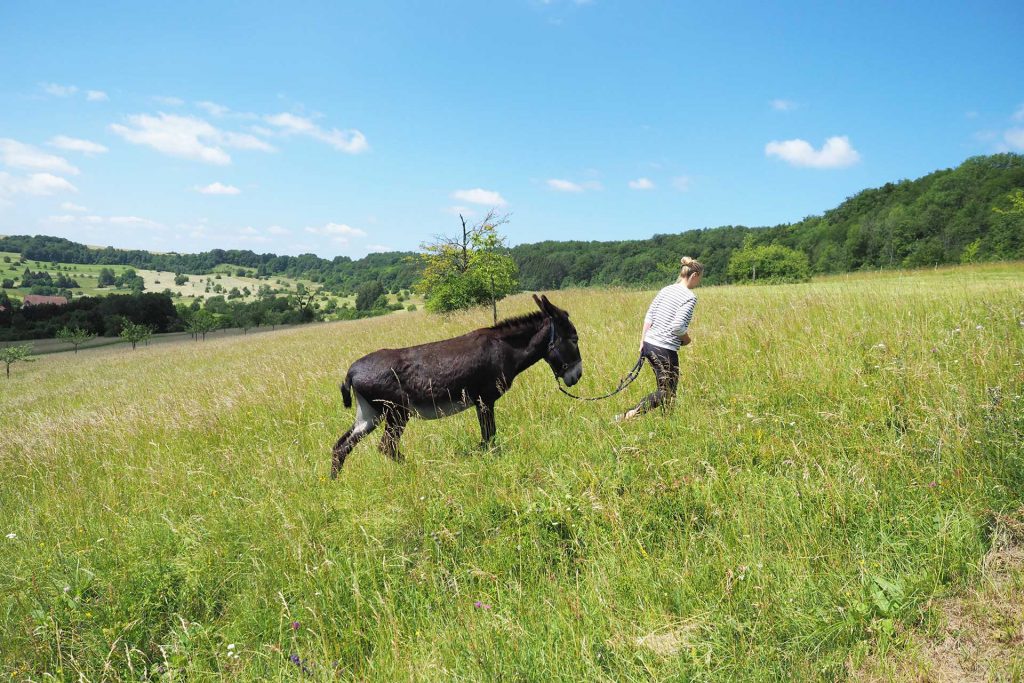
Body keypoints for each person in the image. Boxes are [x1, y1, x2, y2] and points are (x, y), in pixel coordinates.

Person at [617, 256, 703, 421]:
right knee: (666, 391)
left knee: (666, 389)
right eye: (699, 279)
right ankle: (627, 416)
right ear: (694, 275)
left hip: (649, 344)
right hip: (665, 348)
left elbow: (649, 315)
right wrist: (687, 339)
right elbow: (678, 327)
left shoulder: (666, 289)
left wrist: (642, 342)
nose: (698, 283)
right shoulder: (689, 297)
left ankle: (668, 423)